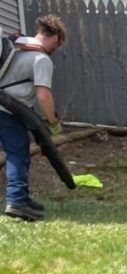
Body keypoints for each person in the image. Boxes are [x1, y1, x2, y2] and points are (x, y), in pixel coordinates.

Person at [0, 15, 66, 221]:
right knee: (18, 154)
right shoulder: (41, 59)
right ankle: (17, 201)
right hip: (8, 113)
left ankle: (23, 198)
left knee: (20, 153)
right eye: (59, 42)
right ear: (54, 37)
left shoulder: (17, 46)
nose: (57, 47)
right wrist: (53, 122)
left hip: (7, 109)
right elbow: (44, 95)